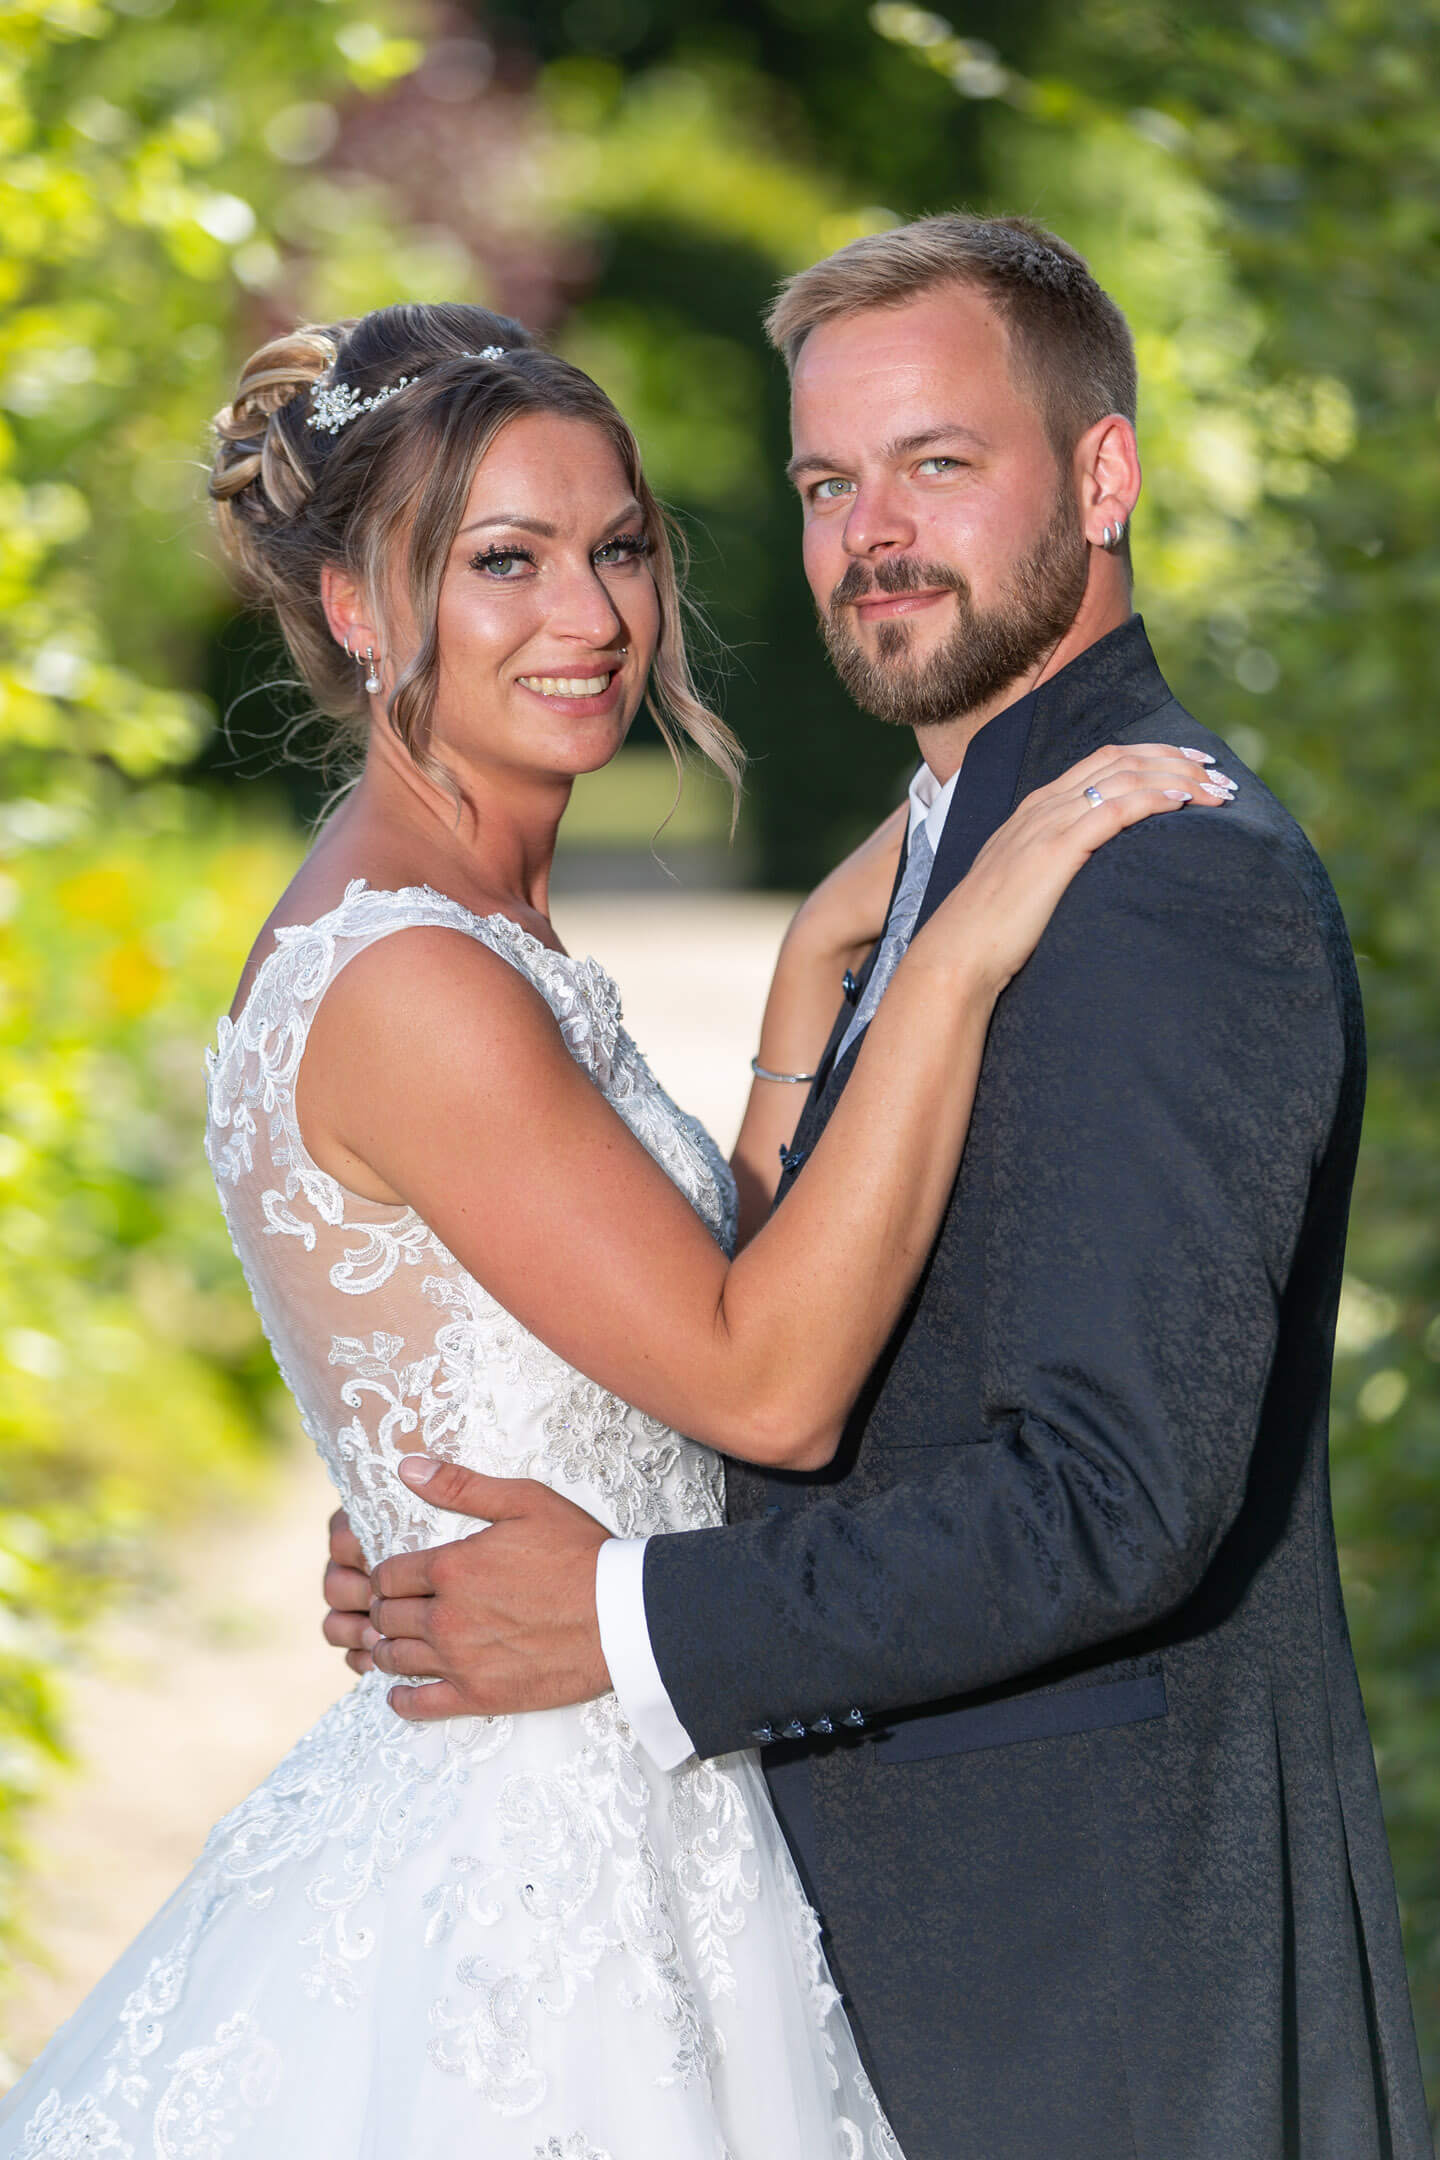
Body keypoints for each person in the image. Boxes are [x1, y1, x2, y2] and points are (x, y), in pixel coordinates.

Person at [0, 300, 1212, 2159]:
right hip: (538, 1872)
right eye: (505, 561)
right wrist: (958, 960)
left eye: (618, 548)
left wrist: (812, 978)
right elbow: (769, 1382)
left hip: (624, 1772)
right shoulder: (413, 976)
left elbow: (670, 1301)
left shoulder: (476, 925)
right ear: (352, 607)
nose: (592, 617)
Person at [322, 221, 1431, 2158]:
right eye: (831, 482)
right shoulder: (942, 852)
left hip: (1088, 1991)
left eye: (938, 463)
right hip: (885, 1971)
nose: (870, 532)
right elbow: (819, 1346)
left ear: (1103, 479)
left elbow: (1109, 1501)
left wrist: (624, 1616)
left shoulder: (1158, 870)